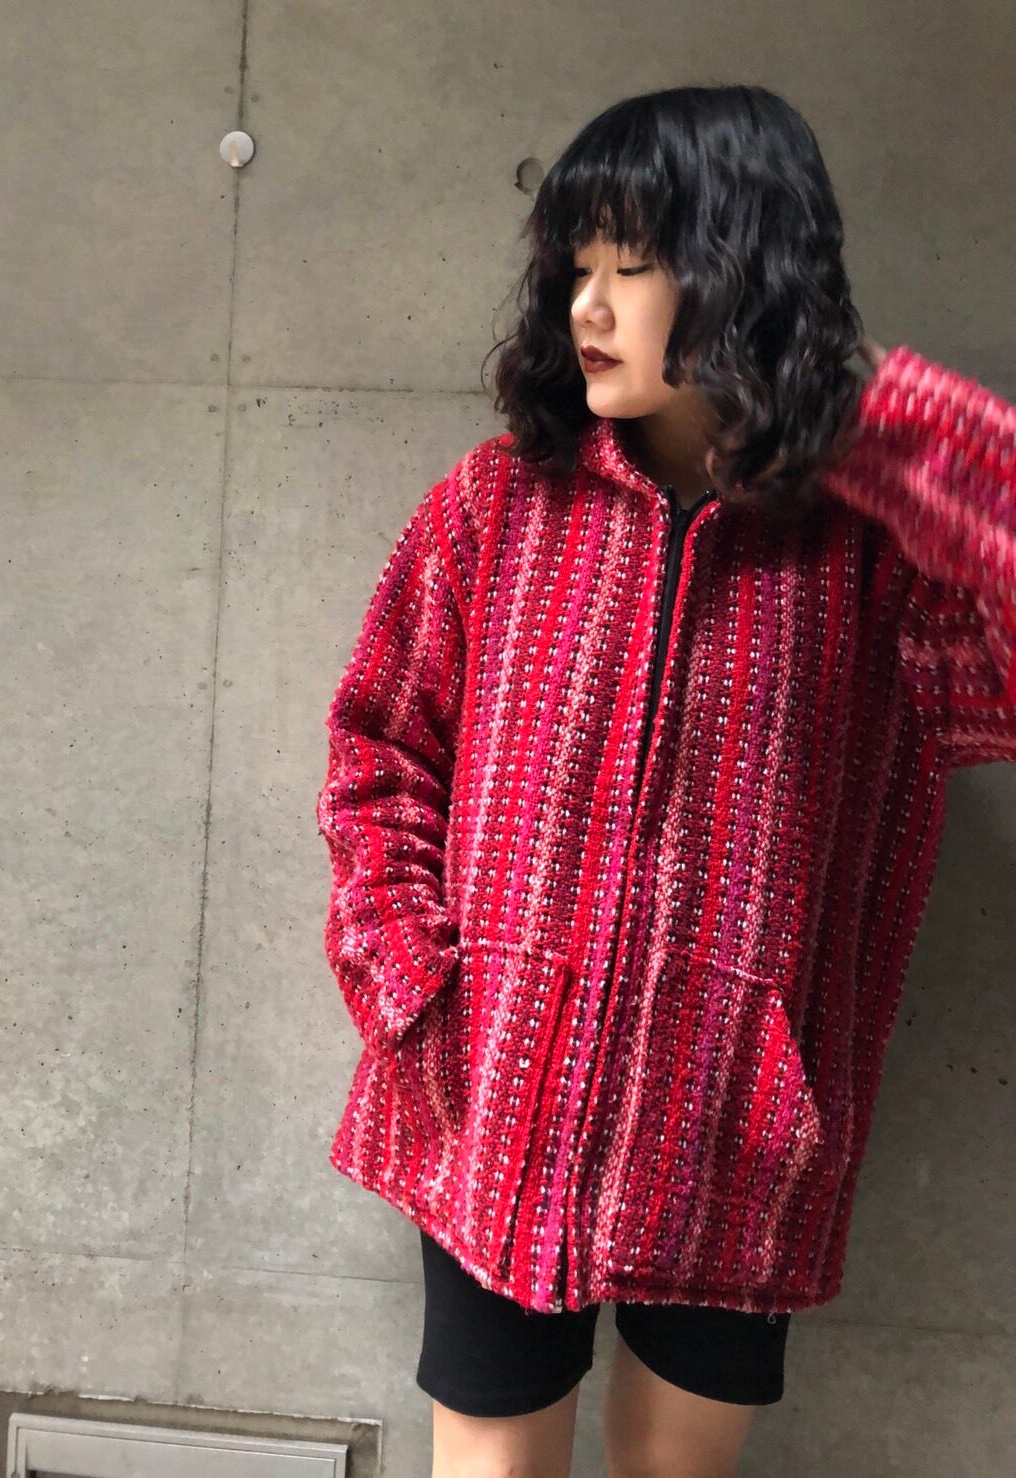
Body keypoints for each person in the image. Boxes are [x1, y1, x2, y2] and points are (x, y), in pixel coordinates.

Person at [315, 84, 1015, 1478]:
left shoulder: (872, 553)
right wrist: (421, 996)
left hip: (739, 1131)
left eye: (631, 267)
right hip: (490, 1099)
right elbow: (376, 756)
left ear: (744, 273)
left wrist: (886, 425)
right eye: (574, 264)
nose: (586, 304)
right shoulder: (496, 506)